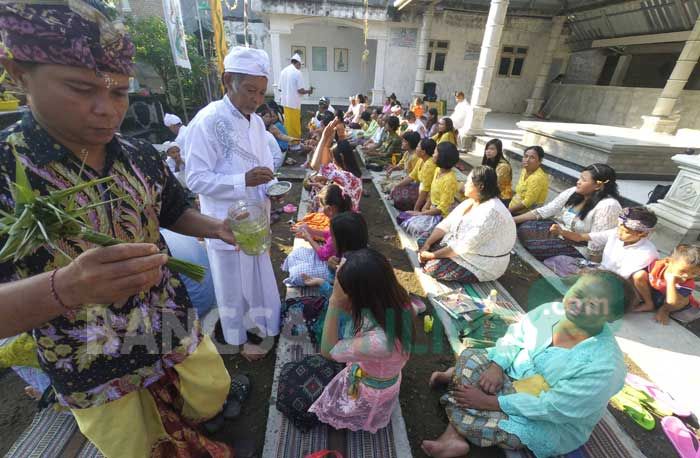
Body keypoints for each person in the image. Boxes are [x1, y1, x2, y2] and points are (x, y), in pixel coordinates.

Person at [0, 2, 243, 455]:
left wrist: (216, 227)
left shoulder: (138, 155)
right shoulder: (7, 171)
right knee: (135, 444)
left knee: (208, 391)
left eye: (119, 92)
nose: (106, 110)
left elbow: (170, 210)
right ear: (17, 73)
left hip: (168, 320)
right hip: (87, 354)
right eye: (81, 88)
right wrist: (65, 287)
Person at [423, 270, 631, 458]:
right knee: (471, 357)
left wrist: (489, 402)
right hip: (512, 378)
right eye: (578, 293)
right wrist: (496, 367)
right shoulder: (552, 311)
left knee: (511, 428)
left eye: (593, 305)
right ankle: (459, 408)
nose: (579, 304)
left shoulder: (605, 368)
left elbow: (554, 408)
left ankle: (453, 426)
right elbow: (514, 338)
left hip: (548, 417)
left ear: (612, 316)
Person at [185, 46, 280, 360]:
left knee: (259, 277)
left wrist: (271, 189)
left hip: (256, 219)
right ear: (228, 81)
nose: (256, 99)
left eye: (262, 92)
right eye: (250, 90)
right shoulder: (208, 121)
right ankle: (238, 341)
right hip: (224, 223)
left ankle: (262, 328)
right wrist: (243, 181)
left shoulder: (255, 122)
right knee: (231, 288)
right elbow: (195, 179)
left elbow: (264, 170)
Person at [307, 248, 413, 432]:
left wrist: (334, 300)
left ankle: (362, 419)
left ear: (358, 296)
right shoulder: (398, 299)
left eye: (343, 290)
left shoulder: (380, 341)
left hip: (370, 393)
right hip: (380, 372)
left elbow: (328, 350)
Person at [418, 166, 516, 283]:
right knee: (423, 240)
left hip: (480, 263)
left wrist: (432, 255)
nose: (464, 184)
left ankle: (432, 258)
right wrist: (427, 244)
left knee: (432, 268)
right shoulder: (471, 201)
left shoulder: (491, 213)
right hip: (458, 247)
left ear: (480, 186)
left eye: (468, 181)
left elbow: (463, 246)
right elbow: (446, 224)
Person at [514, 164, 622, 262]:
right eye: (580, 178)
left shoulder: (608, 206)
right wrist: (513, 220)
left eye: (583, 180)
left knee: (538, 245)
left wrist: (591, 267)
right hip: (559, 234)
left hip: (578, 248)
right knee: (526, 226)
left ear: (598, 186)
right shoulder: (574, 191)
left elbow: (597, 244)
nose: (578, 181)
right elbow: (547, 210)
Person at [546, 206, 659, 278]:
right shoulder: (615, 233)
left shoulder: (647, 253)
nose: (619, 232)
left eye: (626, 231)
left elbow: (621, 279)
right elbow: (580, 237)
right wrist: (561, 231)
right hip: (600, 271)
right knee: (556, 261)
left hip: (614, 284)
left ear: (643, 234)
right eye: (619, 227)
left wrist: (590, 274)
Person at [398, 142, 460, 238]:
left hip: (440, 216)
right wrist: (425, 207)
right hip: (431, 210)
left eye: (435, 152)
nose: (433, 155)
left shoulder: (449, 180)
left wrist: (420, 213)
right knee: (402, 216)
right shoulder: (438, 170)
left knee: (413, 226)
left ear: (442, 157)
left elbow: (441, 209)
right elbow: (431, 191)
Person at [633, 244, 700, 325]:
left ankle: (664, 310)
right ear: (668, 262)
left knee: (683, 300)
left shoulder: (688, 283)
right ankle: (648, 303)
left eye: (694, 273)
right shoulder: (656, 266)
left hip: (672, 304)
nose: (687, 275)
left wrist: (670, 281)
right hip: (653, 294)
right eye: (682, 271)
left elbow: (673, 302)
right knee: (639, 275)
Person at [309, 119, 363, 212]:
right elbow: (324, 166)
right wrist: (327, 143)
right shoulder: (352, 172)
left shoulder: (346, 176)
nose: (332, 162)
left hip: (344, 216)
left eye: (333, 158)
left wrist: (323, 138)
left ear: (341, 157)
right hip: (349, 210)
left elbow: (315, 165)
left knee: (317, 196)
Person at [278, 53, 313, 139]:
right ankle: (295, 144)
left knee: (288, 124)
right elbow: (300, 90)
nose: (300, 67)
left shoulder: (283, 71)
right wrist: (309, 91)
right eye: (300, 65)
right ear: (297, 63)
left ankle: (288, 141)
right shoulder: (297, 73)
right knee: (294, 125)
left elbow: (279, 89)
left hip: (285, 103)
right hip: (293, 103)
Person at [509, 146, 549, 215]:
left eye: (532, 157)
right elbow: (519, 193)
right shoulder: (525, 170)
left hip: (524, 215)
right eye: (525, 156)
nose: (527, 160)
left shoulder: (537, 178)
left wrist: (507, 211)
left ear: (539, 161)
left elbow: (527, 203)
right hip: (513, 208)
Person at [481, 138, 513, 206]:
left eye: (492, 149)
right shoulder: (489, 161)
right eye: (487, 149)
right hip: (490, 193)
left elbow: (497, 185)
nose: (488, 151)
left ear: (499, 151)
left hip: (502, 197)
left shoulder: (503, 166)